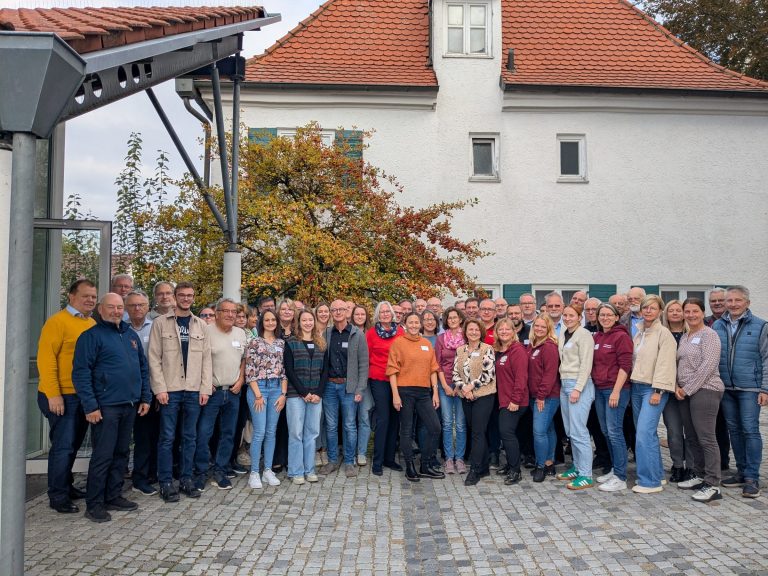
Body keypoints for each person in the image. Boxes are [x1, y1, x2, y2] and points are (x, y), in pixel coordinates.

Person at [72, 293, 151, 522]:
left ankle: (113, 495)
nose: (116, 311)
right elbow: (81, 373)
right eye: (111, 307)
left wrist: (145, 397)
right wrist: (90, 406)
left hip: (130, 404)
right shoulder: (91, 337)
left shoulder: (130, 335)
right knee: (103, 455)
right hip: (105, 406)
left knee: (121, 453)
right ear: (100, 309)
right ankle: (94, 503)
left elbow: (142, 368)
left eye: (119, 307)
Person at [37, 279, 97, 514]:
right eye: (85, 296)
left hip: (82, 396)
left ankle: (67, 486)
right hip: (62, 396)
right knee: (62, 447)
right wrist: (54, 395)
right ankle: (58, 495)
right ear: (72, 296)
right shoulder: (57, 322)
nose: (90, 300)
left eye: (93, 296)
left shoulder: (91, 323)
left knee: (72, 446)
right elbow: (46, 360)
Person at [149, 282, 212, 503]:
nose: (186, 299)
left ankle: (186, 479)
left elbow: (206, 360)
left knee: (189, 437)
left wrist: (205, 388)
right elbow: (154, 358)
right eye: (182, 295)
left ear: (194, 297)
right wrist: (159, 388)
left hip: (193, 390)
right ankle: (166, 482)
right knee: (167, 438)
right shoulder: (160, 323)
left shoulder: (201, 325)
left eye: (190, 295)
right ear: (175, 297)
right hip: (170, 389)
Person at [713, 285, 768, 498]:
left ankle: (752, 477)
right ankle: (742, 471)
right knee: (734, 430)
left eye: (738, 300)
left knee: (750, 430)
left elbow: (766, 359)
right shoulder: (718, 325)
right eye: (730, 300)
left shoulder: (761, 326)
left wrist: (765, 388)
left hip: (750, 388)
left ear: (747, 303)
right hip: (726, 387)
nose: (733, 304)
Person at [193, 298, 247, 491]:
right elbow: (197, 359)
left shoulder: (240, 333)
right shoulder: (206, 332)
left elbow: (244, 359)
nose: (231, 315)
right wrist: (205, 382)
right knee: (203, 434)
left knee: (228, 435)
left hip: (233, 392)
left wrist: (241, 380)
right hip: (212, 393)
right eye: (226, 311)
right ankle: (200, 472)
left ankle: (220, 471)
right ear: (217, 313)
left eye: (234, 311)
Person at [675, 298, 725, 502]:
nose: (691, 315)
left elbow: (708, 366)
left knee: (706, 438)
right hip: (685, 392)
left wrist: (687, 389)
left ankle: (713, 484)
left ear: (702, 313)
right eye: (687, 311)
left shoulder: (709, 335)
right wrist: (678, 387)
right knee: (692, 436)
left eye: (695, 311)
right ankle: (699, 474)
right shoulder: (686, 336)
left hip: (706, 390)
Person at [387, 312, 443, 482]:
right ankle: (409, 466)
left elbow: (433, 369)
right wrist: (395, 395)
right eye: (410, 322)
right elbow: (392, 370)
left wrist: (435, 392)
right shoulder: (398, 343)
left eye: (416, 322)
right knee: (406, 430)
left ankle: (425, 465)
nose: (413, 325)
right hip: (404, 391)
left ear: (421, 324)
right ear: (405, 324)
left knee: (435, 427)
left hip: (424, 392)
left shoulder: (426, 344)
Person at [630, 294, 677, 494]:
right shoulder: (639, 332)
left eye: (652, 308)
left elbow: (666, 364)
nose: (648, 311)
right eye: (645, 307)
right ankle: (657, 474)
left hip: (653, 388)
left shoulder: (663, 334)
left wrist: (658, 390)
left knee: (643, 433)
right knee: (648, 433)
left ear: (660, 311)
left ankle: (649, 482)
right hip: (636, 387)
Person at [321, 300, 369, 477]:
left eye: (341, 309)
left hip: (349, 387)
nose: (338, 312)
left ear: (347, 312)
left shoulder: (357, 334)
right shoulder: (327, 333)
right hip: (329, 386)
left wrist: (360, 389)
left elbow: (363, 364)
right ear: (331, 313)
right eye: (334, 309)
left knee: (349, 425)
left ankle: (349, 462)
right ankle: (332, 460)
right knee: (331, 426)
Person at [591, 304, 633, 492]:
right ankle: (615, 469)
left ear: (616, 317)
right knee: (606, 431)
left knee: (615, 431)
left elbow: (625, 366)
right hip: (600, 389)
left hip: (615, 390)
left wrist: (616, 391)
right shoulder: (598, 337)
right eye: (602, 315)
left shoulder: (621, 337)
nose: (605, 318)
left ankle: (621, 477)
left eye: (609, 315)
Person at [284, 310, 328, 484]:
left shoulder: (321, 343)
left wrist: (318, 393)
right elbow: (289, 370)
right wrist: (303, 392)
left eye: (310, 319)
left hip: (316, 395)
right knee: (296, 433)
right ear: (298, 322)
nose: (308, 323)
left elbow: (325, 371)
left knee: (312, 433)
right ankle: (296, 471)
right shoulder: (291, 343)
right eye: (304, 320)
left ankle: (309, 470)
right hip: (296, 395)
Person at [245, 310, 286, 489]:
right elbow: (249, 370)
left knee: (271, 431)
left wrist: (283, 394)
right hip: (259, 389)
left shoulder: (281, 343)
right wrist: (258, 395)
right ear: (262, 322)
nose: (270, 322)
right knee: (260, 432)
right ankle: (254, 472)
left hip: (277, 389)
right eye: (267, 320)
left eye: (273, 320)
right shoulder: (254, 342)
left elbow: (283, 370)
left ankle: (268, 470)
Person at [556, 304, 595, 490]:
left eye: (572, 315)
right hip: (565, 383)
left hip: (579, 385)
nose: (567, 318)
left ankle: (586, 475)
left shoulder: (584, 335)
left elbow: (586, 364)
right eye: (565, 315)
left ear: (580, 317)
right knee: (570, 430)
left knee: (579, 431)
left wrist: (578, 389)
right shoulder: (564, 334)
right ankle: (577, 468)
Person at [453, 319, 496, 486]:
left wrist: (471, 386)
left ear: (481, 332)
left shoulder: (487, 349)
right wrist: (464, 388)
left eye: (477, 330)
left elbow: (488, 374)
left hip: (484, 395)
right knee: (476, 431)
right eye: (470, 329)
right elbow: (455, 373)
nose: (473, 332)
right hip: (466, 396)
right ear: (465, 332)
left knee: (477, 432)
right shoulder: (460, 350)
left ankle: (475, 470)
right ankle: (484, 466)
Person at [125, 290, 159, 496]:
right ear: (126, 308)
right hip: (127, 391)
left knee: (148, 436)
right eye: (132, 305)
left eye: (141, 305)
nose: (137, 308)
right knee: (126, 438)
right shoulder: (121, 328)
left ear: (148, 307)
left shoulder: (155, 327)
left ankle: (145, 476)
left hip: (151, 389)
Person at [366, 302, 405, 475]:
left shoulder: (401, 332)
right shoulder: (371, 333)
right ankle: (378, 461)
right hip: (379, 378)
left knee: (395, 419)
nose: (385, 314)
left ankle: (390, 458)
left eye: (387, 311)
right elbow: (366, 356)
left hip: (398, 379)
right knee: (383, 418)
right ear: (378, 315)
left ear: (392, 313)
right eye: (382, 312)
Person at [494, 318, 529, 485]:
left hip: (515, 401)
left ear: (514, 332)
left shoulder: (517, 350)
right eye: (501, 329)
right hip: (503, 399)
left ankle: (515, 471)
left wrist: (515, 400)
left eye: (507, 329)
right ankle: (510, 464)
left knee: (507, 433)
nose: (504, 332)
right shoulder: (500, 350)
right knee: (507, 434)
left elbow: (521, 378)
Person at [528, 315, 561, 482]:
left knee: (539, 431)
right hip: (536, 395)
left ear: (549, 329)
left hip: (547, 396)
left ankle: (540, 466)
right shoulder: (533, 345)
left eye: (543, 327)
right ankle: (549, 463)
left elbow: (550, 374)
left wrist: (541, 396)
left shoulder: (549, 347)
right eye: (537, 326)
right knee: (548, 429)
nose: (539, 329)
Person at [435, 307, 467, 474]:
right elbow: (437, 364)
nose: (453, 320)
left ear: (460, 319)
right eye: (450, 318)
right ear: (446, 321)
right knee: (447, 423)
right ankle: (448, 458)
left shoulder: (467, 337)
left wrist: (460, 385)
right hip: (445, 385)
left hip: (463, 386)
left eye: (455, 317)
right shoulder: (441, 339)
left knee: (460, 424)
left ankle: (460, 458)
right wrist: (446, 386)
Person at [661, 299, 691, 483]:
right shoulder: (662, 334)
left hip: (690, 389)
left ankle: (692, 467)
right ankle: (678, 465)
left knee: (691, 430)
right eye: (670, 310)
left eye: (678, 310)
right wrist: (673, 386)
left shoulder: (692, 333)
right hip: (669, 389)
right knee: (673, 430)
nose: (674, 313)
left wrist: (686, 387)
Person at [351, 304, 374, 466]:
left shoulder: (371, 333)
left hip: (368, 382)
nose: (360, 317)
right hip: (351, 381)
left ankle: (361, 452)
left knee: (364, 417)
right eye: (357, 314)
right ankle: (350, 451)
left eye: (362, 314)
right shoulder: (348, 333)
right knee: (350, 419)